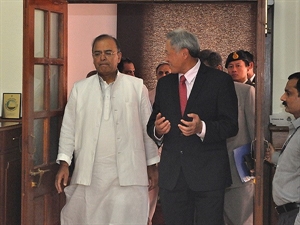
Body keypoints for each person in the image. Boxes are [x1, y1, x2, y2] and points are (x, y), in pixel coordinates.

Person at [55, 34, 160, 225]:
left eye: (108, 52)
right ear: (93, 58)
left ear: (118, 56)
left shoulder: (136, 87)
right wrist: (64, 162)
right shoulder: (80, 89)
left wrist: (151, 165)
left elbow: (147, 130)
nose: (102, 57)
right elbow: (68, 128)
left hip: (128, 173)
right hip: (91, 174)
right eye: (97, 53)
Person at [147, 28, 239, 225]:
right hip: (173, 177)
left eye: (168, 52)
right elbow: (152, 123)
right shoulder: (165, 84)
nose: (165, 57)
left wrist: (202, 128)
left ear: (184, 53)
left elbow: (231, 126)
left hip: (208, 176)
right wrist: (158, 129)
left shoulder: (219, 81)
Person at [203, 50, 255, 225]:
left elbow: (255, 132)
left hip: (237, 170)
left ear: (217, 69)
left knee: (240, 219)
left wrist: (254, 165)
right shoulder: (199, 95)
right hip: (208, 172)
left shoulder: (245, 92)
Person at [265, 72, 300, 225]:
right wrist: (275, 158)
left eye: (289, 93)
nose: (282, 98)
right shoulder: (296, 127)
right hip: (288, 215)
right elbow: (294, 164)